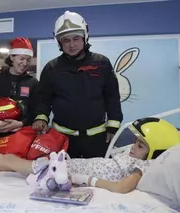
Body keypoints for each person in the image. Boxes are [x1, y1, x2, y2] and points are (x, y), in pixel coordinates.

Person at [0, 117, 180, 193]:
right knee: (17, 164)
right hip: (74, 164)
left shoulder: (144, 167)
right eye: (135, 142)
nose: (133, 148)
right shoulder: (134, 156)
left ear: (155, 152)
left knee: (12, 161)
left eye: (140, 146)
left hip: (72, 171)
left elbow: (121, 188)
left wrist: (84, 179)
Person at [32, 11, 123, 159]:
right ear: (59, 42)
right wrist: (41, 117)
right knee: (63, 178)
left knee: (96, 180)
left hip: (97, 139)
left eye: (76, 38)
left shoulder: (102, 63)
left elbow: (112, 97)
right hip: (62, 140)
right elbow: (44, 99)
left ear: (84, 37)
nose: (72, 45)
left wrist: (113, 126)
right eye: (66, 40)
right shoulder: (51, 68)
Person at [0, 38, 39, 143]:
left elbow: (36, 111)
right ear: (11, 57)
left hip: (24, 138)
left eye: (28, 60)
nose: (25, 63)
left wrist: (21, 123)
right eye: (22, 59)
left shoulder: (33, 82)